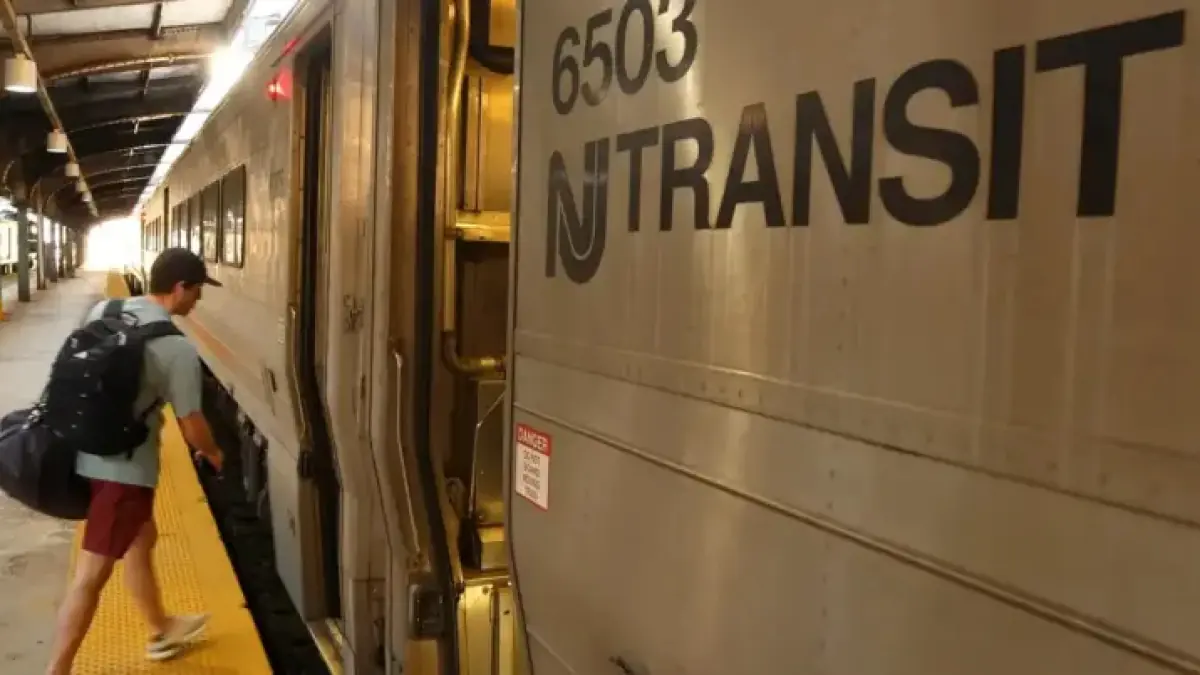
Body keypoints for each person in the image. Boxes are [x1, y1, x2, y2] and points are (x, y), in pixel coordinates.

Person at [45, 248, 227, 674]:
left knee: (142, 539)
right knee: (91, 576)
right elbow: (191, 424)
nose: (198, 300)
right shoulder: (176, 349)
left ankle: (162, 628)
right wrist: (213, 452)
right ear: (180, 288)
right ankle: (57, 668)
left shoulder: (105, 311)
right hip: (123, 472)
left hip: (82, 451)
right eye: (197, 291)